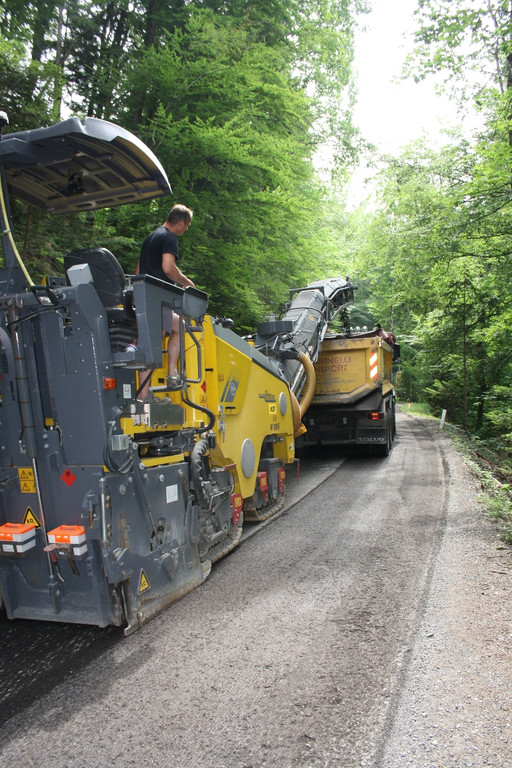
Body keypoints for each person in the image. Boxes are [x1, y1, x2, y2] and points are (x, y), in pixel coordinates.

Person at [135, 204, 195, 400]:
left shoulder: (151, 237)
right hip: (158, 298)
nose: (185, 231)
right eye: (187, 227)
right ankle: (144, 396)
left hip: (147, 296)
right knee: (152, 344)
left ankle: (172, 373)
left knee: (181, 327)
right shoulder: (169, 237)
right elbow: (168, 268)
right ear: (182, 223)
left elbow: (138, 269)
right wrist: (186, 282)